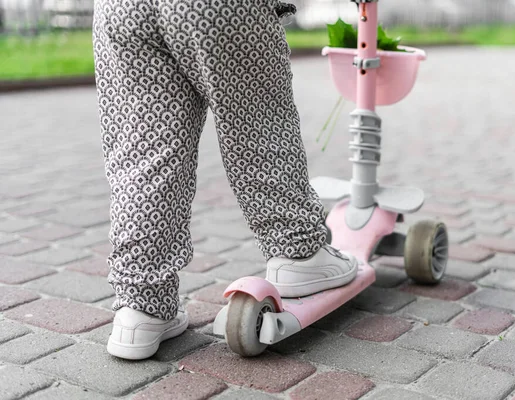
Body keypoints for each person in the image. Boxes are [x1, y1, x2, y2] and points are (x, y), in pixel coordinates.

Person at [93, 0, 358, 360]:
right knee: (258, 123)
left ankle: (141, 307)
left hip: (123, 9)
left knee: (147, 148)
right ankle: (298, 252)